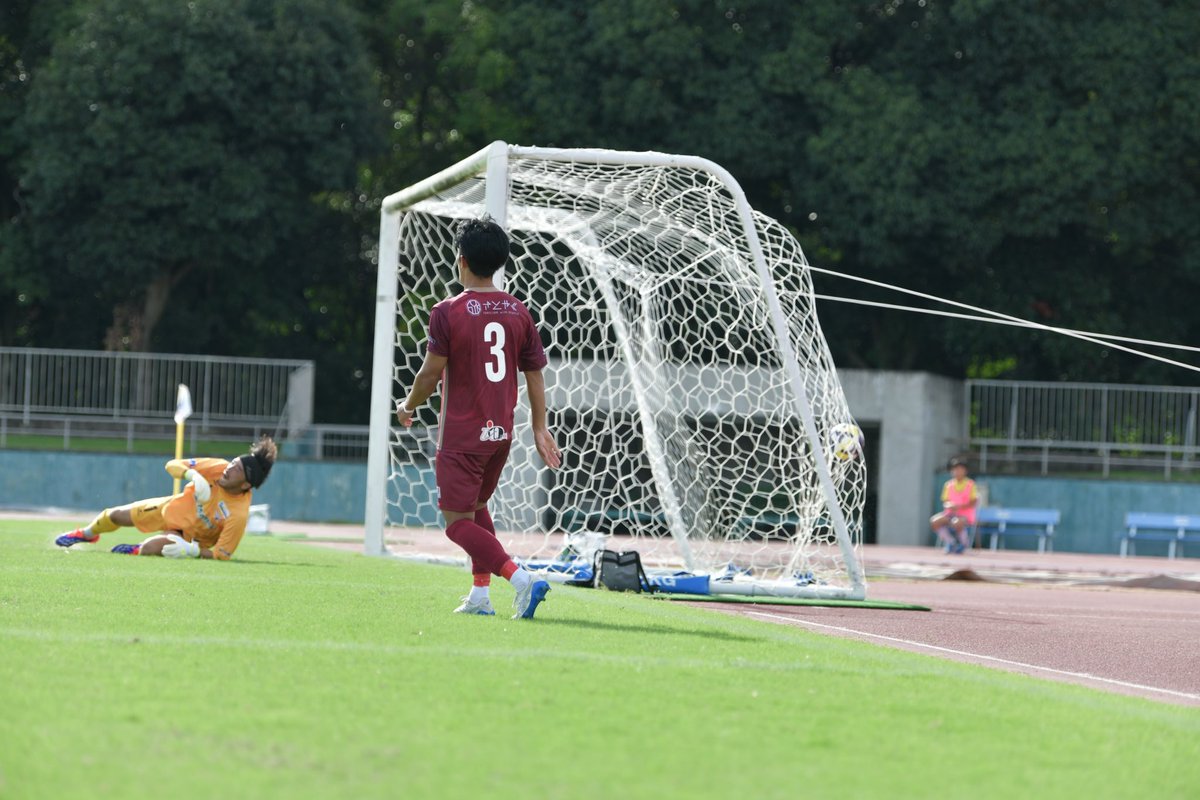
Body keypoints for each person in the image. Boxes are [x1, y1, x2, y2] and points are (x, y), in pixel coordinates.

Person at [397, 215, 561, 620]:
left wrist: (409, 405)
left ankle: (522, 580)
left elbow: (430, 373)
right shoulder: (517, 310)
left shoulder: (447, 310)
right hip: (500, 433)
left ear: (461, 260)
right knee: (478, 506)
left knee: (456, 524)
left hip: (462, 436)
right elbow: (535, 374)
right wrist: (539, 427)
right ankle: (480, 595)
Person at [54, 436, 277, 560]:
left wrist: (193, 551)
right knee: (113, 515)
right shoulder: (218, 467)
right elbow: (172, 464)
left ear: (246, 484)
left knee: (151, 547)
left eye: (237, 469)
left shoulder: (238, 515)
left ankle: (136, 549)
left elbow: (222, 554)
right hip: (171, 508)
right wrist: (191, 474)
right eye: (233, 462)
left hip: (187, 536)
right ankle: (86, 534)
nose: (229, 469)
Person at [931, 457, 977, 554]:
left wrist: (959, 507)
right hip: (950, 514)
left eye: (960, 469)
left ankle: (964, 544)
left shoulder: (970, 484)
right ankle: (951, 542)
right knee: (935, 521)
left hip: (965, 516)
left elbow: (974, 502)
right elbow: (945, 501)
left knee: (957, 522)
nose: (957, 471)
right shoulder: (948, 485)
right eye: (955, 469)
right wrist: (949, 505)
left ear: (965, 471)